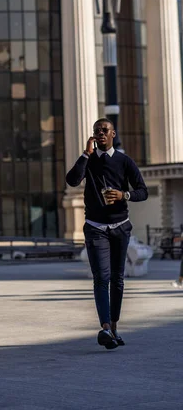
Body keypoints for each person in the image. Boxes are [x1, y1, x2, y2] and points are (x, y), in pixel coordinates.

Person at [66, 118, 148, 350]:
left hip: (120, 226)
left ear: (113, 134)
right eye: (96, 131)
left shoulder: (124, 161)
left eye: (104, 130)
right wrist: (85, 155)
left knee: (117, 279)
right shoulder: (89, 160)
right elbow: (72, 180)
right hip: (95, 227)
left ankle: (113, 326)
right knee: (101, 278)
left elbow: (143, 191)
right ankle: (104, 328)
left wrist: (124, 195)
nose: (100, 133)